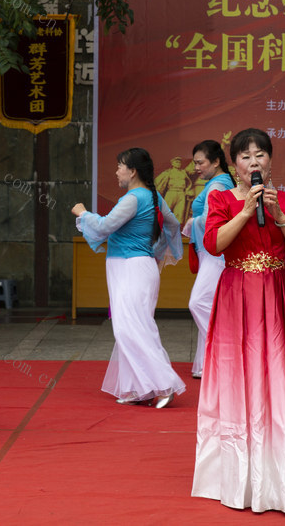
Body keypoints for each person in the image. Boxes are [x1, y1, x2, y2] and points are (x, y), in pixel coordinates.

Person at [192, 128, 285, 514]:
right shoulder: (221, 198)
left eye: (260, 155)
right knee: (239, 378)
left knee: (278, 378)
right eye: (245, 157)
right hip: (237, 293)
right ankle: (236, 477)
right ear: (234, 164)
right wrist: (247, 210)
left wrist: (278, 215)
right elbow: (214, 243)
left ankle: (281, 478)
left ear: (271, 160)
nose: (253, 163)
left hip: (277, 293)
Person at [72, 147, 184, 408]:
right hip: (136, 266)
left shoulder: (133, 198)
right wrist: (155, 252)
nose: (117, 171)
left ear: (132, 171)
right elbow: (173, 225)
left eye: (120, 166)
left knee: (131, 327)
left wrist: (82, 213)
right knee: (132, 327)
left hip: (130, 267)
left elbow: (102, 227)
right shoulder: (153, 197)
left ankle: (164, 384)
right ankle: (140, 388)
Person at [182, 140, 235, 379]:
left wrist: (194, 222)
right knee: (211, 306)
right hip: (212, 252)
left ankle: (228, 352)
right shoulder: (219, 183)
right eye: (194, 163)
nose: (196, 167)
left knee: (199, 302)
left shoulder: (218, 184)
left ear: (215, 161)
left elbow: (215, 219)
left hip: (215, 254)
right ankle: (210, 362)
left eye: (200, 162)